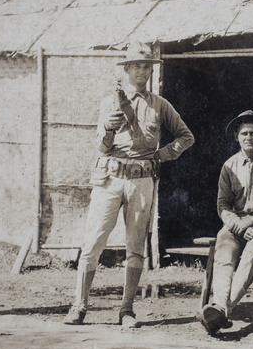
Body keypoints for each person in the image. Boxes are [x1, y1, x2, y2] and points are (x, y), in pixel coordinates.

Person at [64, 43, 194, 327]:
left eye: (146, 66)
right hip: (109, 179)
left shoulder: (160, 105)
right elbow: (101, 147)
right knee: (94, 241)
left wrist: (161, 155)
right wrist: (109, 129)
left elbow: (186, 137)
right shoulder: (110, 102)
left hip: (142, 181)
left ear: (151, 70)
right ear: (126, 69)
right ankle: (79, 306)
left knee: (135, 247)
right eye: (136, 65)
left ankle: (127, 309)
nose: (142, 70)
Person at [197, 110, 253, 335]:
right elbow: (222, 205)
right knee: (224, 252)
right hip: (236, 225)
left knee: (252, 253)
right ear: (237, 137)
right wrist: (238, 224)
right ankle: (219, 307)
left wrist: (250, 223)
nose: (248, 137)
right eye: (244, 133)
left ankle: (221, 310)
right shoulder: (229, 166)